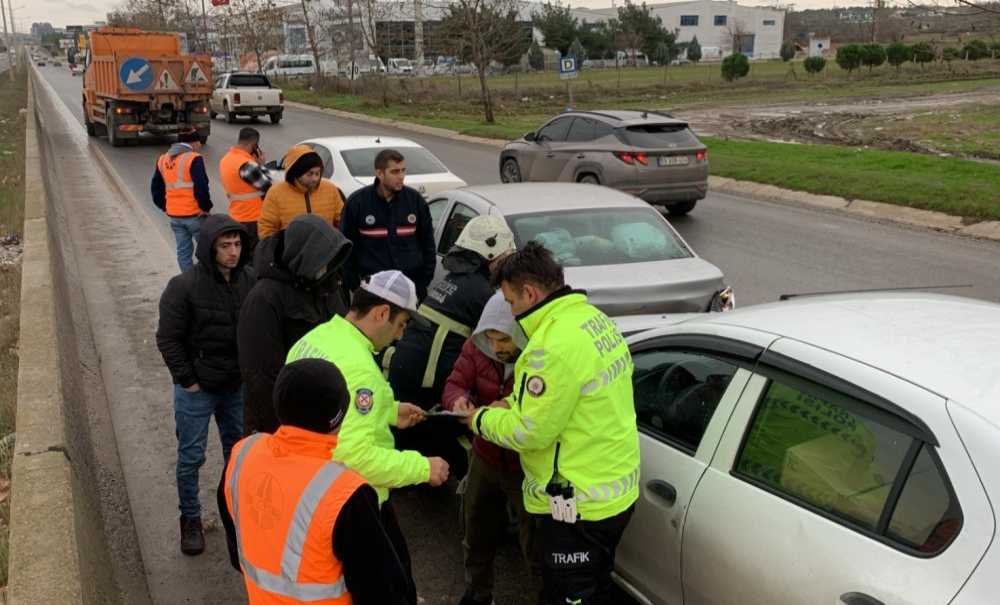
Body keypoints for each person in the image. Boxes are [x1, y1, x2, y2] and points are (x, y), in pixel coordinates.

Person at [457, 242, 640, 605]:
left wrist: (479, 418)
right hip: (614, 492)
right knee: (596, 586)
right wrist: (515, 403)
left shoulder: (549, 346)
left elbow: (530, 432)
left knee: (571, 595)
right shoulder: (594, 320)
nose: (511, 311)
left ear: (530, 292)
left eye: (510, 302)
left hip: (577, 504)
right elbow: (571, 400)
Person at [286, 270, 450, 581]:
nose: (400, 335)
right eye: (401, 325)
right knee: (391, 586)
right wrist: (424, 468)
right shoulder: (360, 368)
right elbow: (357, 457)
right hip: (352, 502)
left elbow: (334, 405)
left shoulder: (317, 338)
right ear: (382, 313)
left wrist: (389, 410)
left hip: (305, 487)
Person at [220, 359, 417, 605]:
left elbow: (235, 543)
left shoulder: (243, 454)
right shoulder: (345, 492)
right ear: (339, 416)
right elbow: (382, 590)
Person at [155, 214, 256, 556]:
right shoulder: (183, 286)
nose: (233, 252)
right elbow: (168, 338)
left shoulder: (249, 281)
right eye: (225, 245)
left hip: (236, 386)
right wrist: (188, 380)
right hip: (197, 389)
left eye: (238, 244)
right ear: (210, 248)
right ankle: (191, 520)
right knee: (191, 457)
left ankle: (236, 514)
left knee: (240, 454)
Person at [388, 215, 515, 478]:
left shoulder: (451, 278)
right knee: (452, 431)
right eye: (505, 256)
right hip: (431, 378)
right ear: (491, 254)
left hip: (408, 371)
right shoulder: (483, 291)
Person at [442, 292, 540, 605]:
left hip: (524, 466)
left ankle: (543, 595)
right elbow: (454, 383)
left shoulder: (540, 360)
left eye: (503, 340)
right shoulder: (476, 347)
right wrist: (456, 400)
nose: (496, 348)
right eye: (490, 340)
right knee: (476, 532)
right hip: (484, 456)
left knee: (535, 543)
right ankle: (478, 593)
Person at [238, 214, 353, 436]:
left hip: (327, 414)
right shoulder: (264, 299)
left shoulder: (328, 283)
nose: (328, 266)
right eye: (323, 259)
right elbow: (260, 376)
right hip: (284, 423)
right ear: (302, 256)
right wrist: (285, 430)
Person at [340, 149, 436, 300]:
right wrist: (356, 286)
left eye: (403, 170)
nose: (401, 176)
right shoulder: (357, 203)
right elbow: (346, 250)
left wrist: (421, 284)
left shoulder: (415, 201)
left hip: (410, 290)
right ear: (380, 173)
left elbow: (428, 244)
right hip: (372, 292)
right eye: (395, 172)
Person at [152, 129, 213, 271]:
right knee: (208, 251)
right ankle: (208, 283)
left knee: (183, 253)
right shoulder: (194, 158)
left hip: (175, 216)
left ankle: (189, 284)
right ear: (195, 143)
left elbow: (156, 189)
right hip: (195, 215)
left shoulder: (162, 159)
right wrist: (206, 208)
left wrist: (166, 207)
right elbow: (201, 187)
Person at [258, 144, 344, 240]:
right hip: (290, 253)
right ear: (296, 173)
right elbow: (266, 228)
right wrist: (278, 250)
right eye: (310, 174)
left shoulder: (330, 189)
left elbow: (341, 221)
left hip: (326, 252)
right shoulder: (276, 193)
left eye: (317, 173)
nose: (315, 178)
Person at [219, 127, 272, 256]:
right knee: (254, 257)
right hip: (253, 218)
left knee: (242, 255)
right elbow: (268, 186)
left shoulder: (225, 159)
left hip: (236, 215)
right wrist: (262, 165)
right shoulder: (247, 164)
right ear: (254, 145)